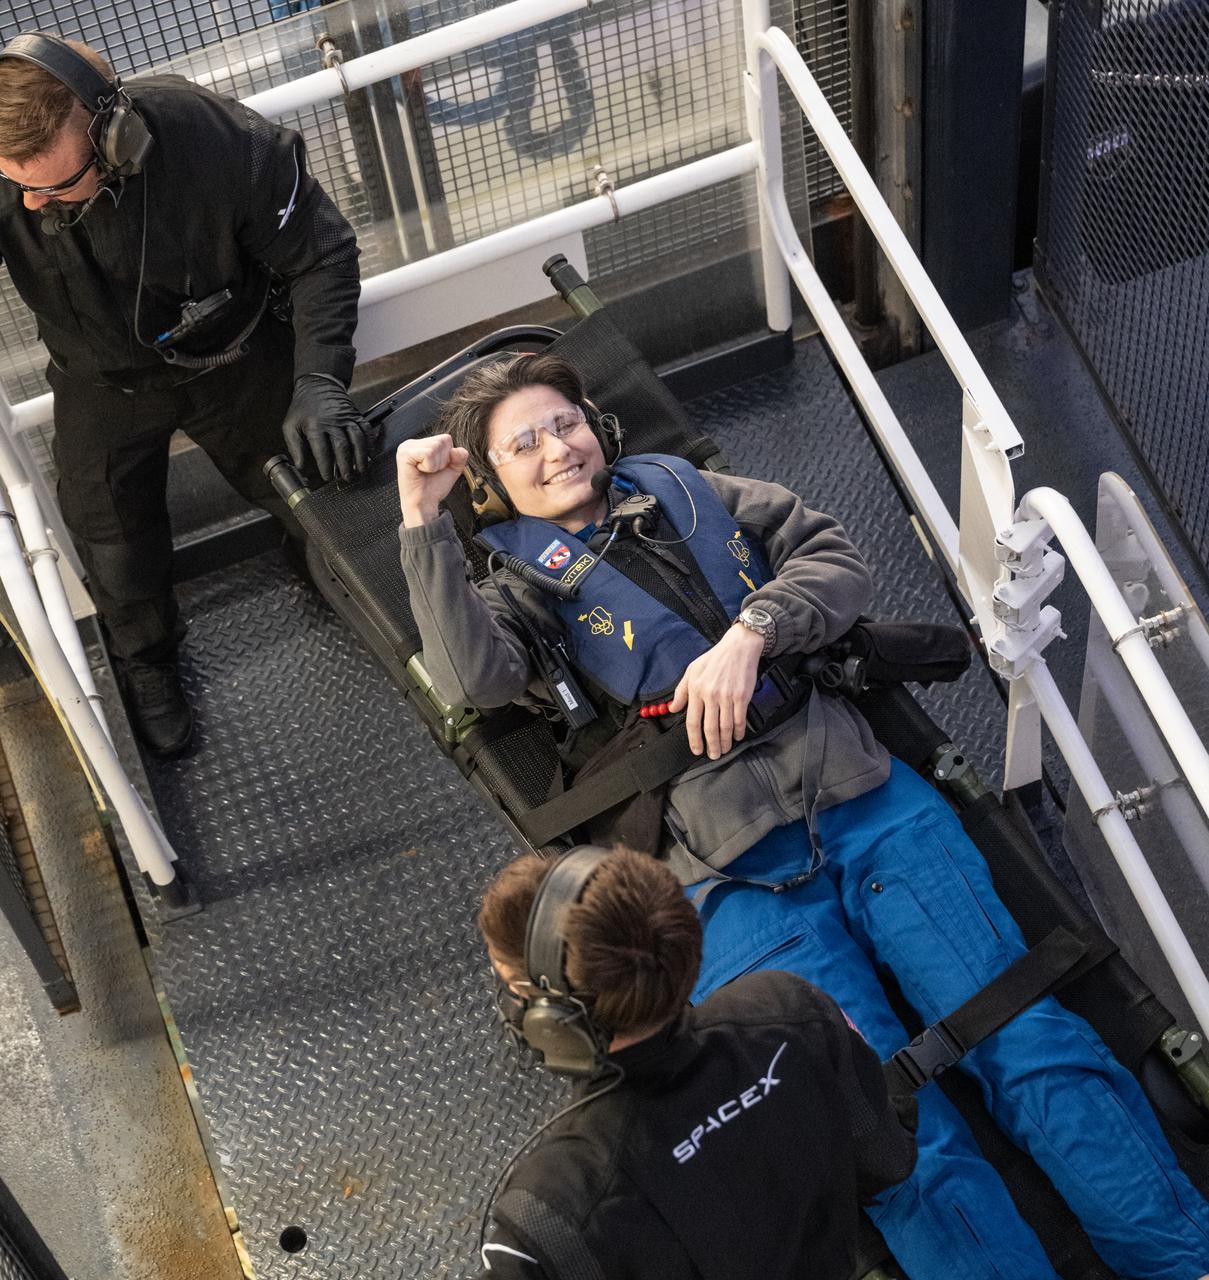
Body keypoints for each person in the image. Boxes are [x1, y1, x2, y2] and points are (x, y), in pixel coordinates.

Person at [396, 351, 1209, 1280]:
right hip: (727, 877)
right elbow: (472, 682)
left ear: (599, 426)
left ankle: (1184, 1260)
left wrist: (754, 633)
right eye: (523, 444)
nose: (556, 448)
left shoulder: (692, 490)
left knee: (1032, 1038)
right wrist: (421, 522)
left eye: (565, 421)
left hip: (866, 799)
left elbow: (834, 559)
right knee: (894, 1131)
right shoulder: (512, 591)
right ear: (493, 485)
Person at [0, 31, 375, 756]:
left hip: (232, 351)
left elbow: (322, 253)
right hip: (100, 380)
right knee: (111, 539)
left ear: (114, 134)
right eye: (22, 187)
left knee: (310, 480)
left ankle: (333, 575)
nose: (37, 204)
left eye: (56, 184)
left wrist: (320, 377)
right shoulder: (18, 175)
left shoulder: (217, 139)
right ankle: (147, 660)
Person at [474, 844, 918, 1279]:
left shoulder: (550, 1208)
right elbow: (887, 1158)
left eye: (515, 989)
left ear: (556, 1021)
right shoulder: (788, 1008)